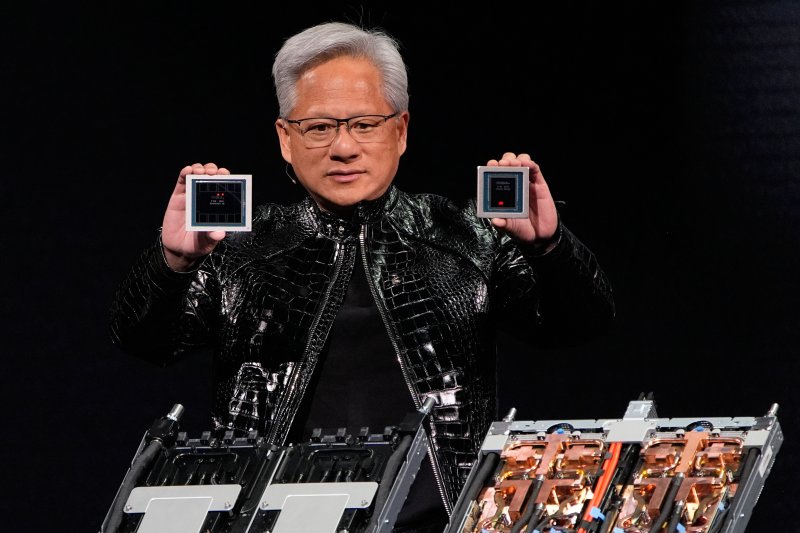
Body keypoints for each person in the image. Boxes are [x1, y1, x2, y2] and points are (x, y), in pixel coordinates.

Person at [109, 21, 615, 532]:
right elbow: (145, 341)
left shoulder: (467, 237)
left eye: (365, 124)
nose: (344, 147)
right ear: (286, 139)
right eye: (319, 127)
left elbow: (581, 323)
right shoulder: (239, 248)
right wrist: (174, 261)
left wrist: (549, 247)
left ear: (401, 130)